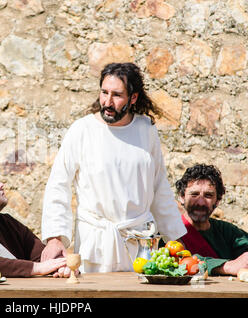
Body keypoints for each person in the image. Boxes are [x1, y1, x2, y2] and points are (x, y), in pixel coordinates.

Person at [40, 62, 187, 273]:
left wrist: (175, 238)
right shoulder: (82, 130)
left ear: (133, 98)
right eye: (104, 92)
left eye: (117, 95)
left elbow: (159, 186)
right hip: (96, 245)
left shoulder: (146, 129)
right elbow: (58, 185)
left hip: (141, 244)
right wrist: (55, 238)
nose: (107, 102)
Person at [176, 163, 248, 276]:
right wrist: (227, 266)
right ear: (182, 197)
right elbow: (178, 261)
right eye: (194, 194)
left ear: (217, 200)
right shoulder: (171, 231)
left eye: (208, 195)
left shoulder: (227, 231)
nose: (201, 202)